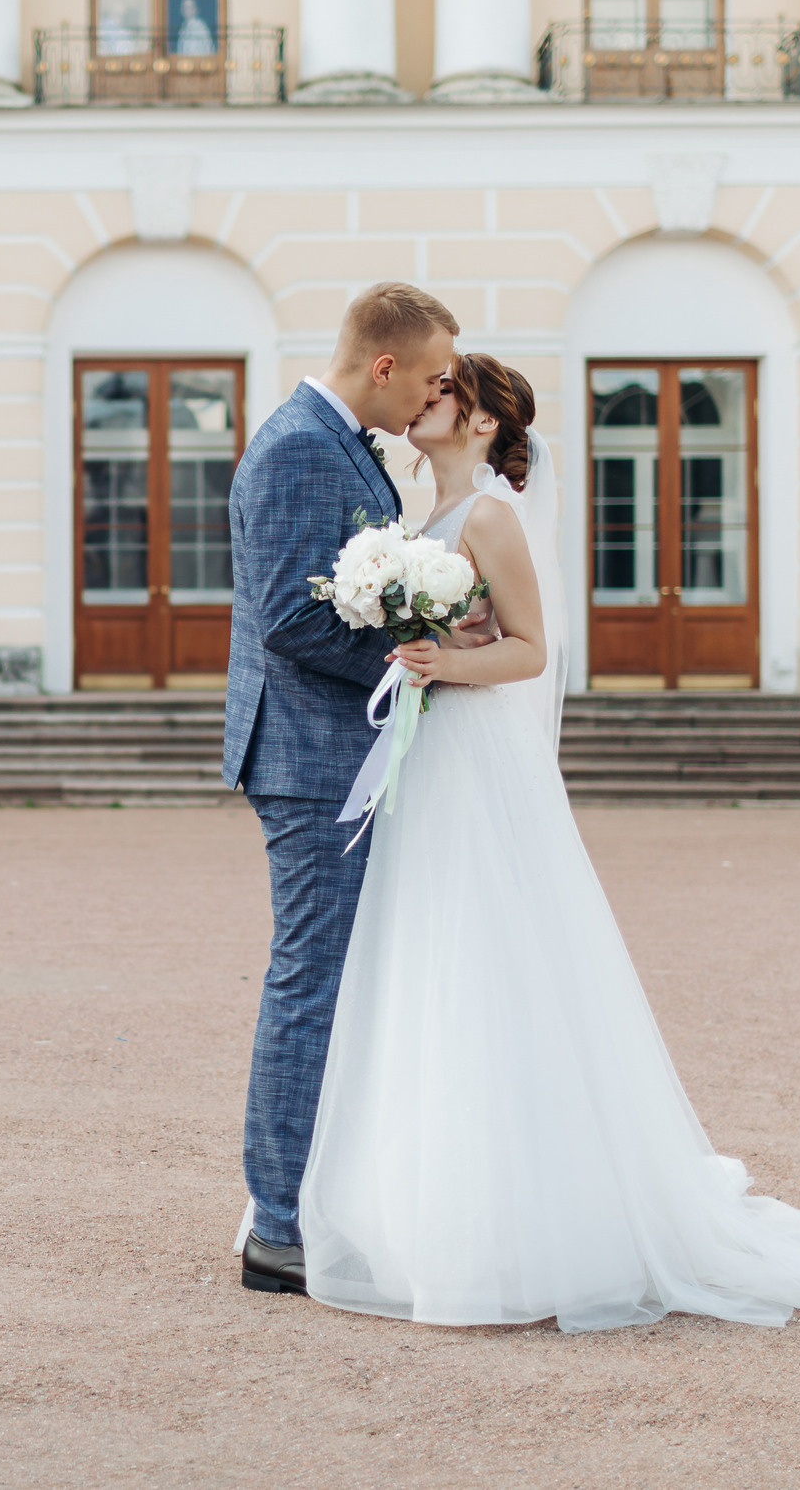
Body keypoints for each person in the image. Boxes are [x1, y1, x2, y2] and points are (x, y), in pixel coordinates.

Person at [290, 352, 800, 1331]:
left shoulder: (486, 516)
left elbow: (531, 651)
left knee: (491, 961)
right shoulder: (411, 523)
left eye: (446, 394)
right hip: (429, 757)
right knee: (425, 959)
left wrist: (446, 658)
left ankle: (517, 1223)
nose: (426, 400)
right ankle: (426, 1207)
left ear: (482, 427)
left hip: (478, 760)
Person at [223, 282, 456, 1296]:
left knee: (336, 981)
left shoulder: (341, 441)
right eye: (432, 377)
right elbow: (291, 619)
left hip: (334, 753)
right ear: (382, 366)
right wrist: (412, 666)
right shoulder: (297, 448)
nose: (434, 398)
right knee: (310, 980)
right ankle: (278, 1225)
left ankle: (316, 1199)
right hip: (310, 758)